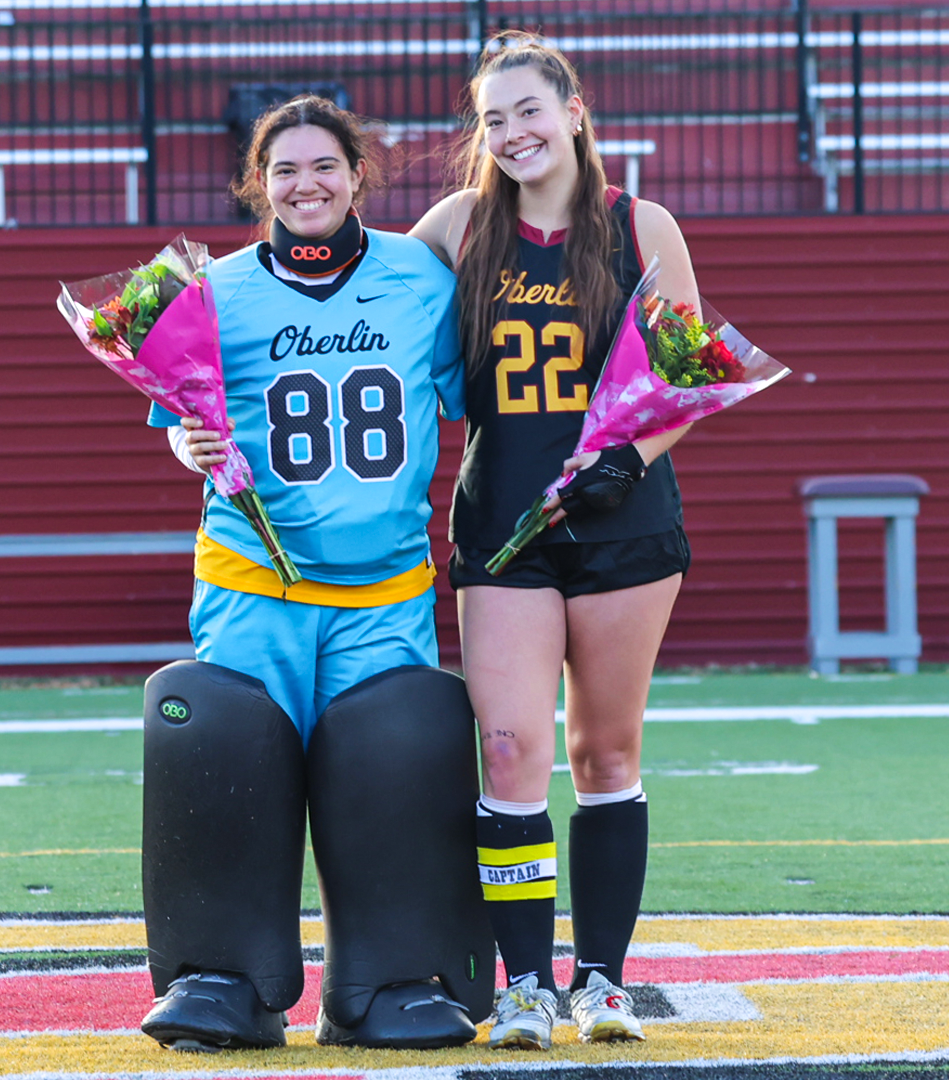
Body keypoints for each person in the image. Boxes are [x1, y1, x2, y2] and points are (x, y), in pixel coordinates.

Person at [136, 96, 494, 1053]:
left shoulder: (419, 275)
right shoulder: (212, 289)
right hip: (255, 583)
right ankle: (224, 977)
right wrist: (187, 448)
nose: (307, 184)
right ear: (261, 185)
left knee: (390, 775)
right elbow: (181, 422)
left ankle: (386, 979)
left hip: (383, 590)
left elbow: (466, 398)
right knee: (231, 764)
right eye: (286, 170)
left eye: (325, 166)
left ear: (357, 175)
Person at [410, 33, 701, 1051]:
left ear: (574, 110)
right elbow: (359, 312)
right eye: (492, 119)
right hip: (502, 527)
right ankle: (525, 982)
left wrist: (634, 456)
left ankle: (604, 981)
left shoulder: (637, 224)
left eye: (528, 110)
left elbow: (688, 371)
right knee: (509, 750)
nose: (512, 133)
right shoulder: (458, 225)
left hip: (623, 526)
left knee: (605, 750)